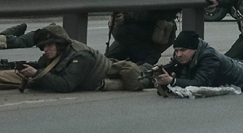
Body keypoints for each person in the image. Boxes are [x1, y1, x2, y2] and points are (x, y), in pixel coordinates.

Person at [0, 23, 143, 93]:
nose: (45, 50)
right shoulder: (60, 52)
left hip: (109, 78)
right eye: (43, 47)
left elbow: (66, 85)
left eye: (49, 46)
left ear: (59, 44)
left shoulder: (81, 56)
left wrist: (36, 74)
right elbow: (46, 69)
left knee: (146, 76)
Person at [152, 30, 243, 92]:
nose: (179, 54)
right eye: (176, 51)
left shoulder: (209, 58)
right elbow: (171, 66)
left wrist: (172, 81)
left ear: (194, 49)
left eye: (183, 50)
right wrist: (157, 74)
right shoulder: (182, 56)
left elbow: (200, 83)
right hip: (234, 64)